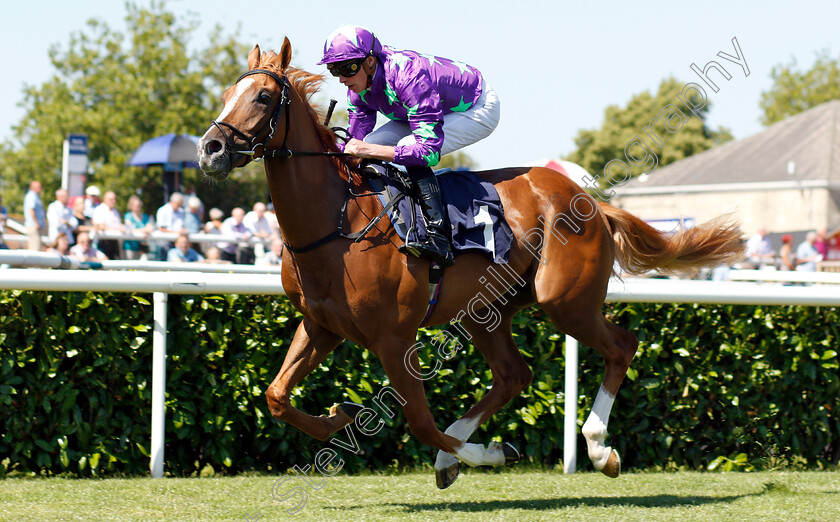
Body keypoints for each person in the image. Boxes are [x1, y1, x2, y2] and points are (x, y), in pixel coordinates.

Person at [318, 25, 500, 266]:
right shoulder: (358, 86)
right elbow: (355, 142)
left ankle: (439, 237)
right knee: (368, 144)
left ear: (370, 61)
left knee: (406, 147)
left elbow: (427, 153)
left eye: (347, 68)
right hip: (423, 110)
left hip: (477, 108)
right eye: (335, 70)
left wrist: (366, 150)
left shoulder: (408, 76)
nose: (342, 79)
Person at [92, 191, 124, 260]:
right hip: (103, 242)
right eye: (111, 199)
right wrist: (116, 229)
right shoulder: (99, 209)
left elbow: (119, 225)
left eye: (114, 199)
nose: (113, 201)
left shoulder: (115, 212)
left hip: (114, 243)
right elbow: (100, 226)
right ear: (105, 199)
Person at [155, 192, 186, 260]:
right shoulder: (163, 210)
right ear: (172, 202)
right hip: (165, 241)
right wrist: (176, 232)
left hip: (177, 242)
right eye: (178, 204)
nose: (180, 206)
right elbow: (161, 228)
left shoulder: (181, 211)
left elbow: (182, 226)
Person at [123, 195, 155, 260]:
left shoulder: (145, 216)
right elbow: (129, 229)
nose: (138, 207)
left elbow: (150, 228)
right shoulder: (128, 216)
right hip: (130, 247)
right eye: (136, 206)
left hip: (142, 248)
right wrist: (144, 230)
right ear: (131, 206)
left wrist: (140, 230)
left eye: (139, 205)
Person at [23, 180, 47, 251]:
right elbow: (31, 210)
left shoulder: (34, 196)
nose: (41, 189)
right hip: (33, 226)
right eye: (39, 187)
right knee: (35, 250)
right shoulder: (32, 196)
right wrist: (36, 223)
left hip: (34, 226)